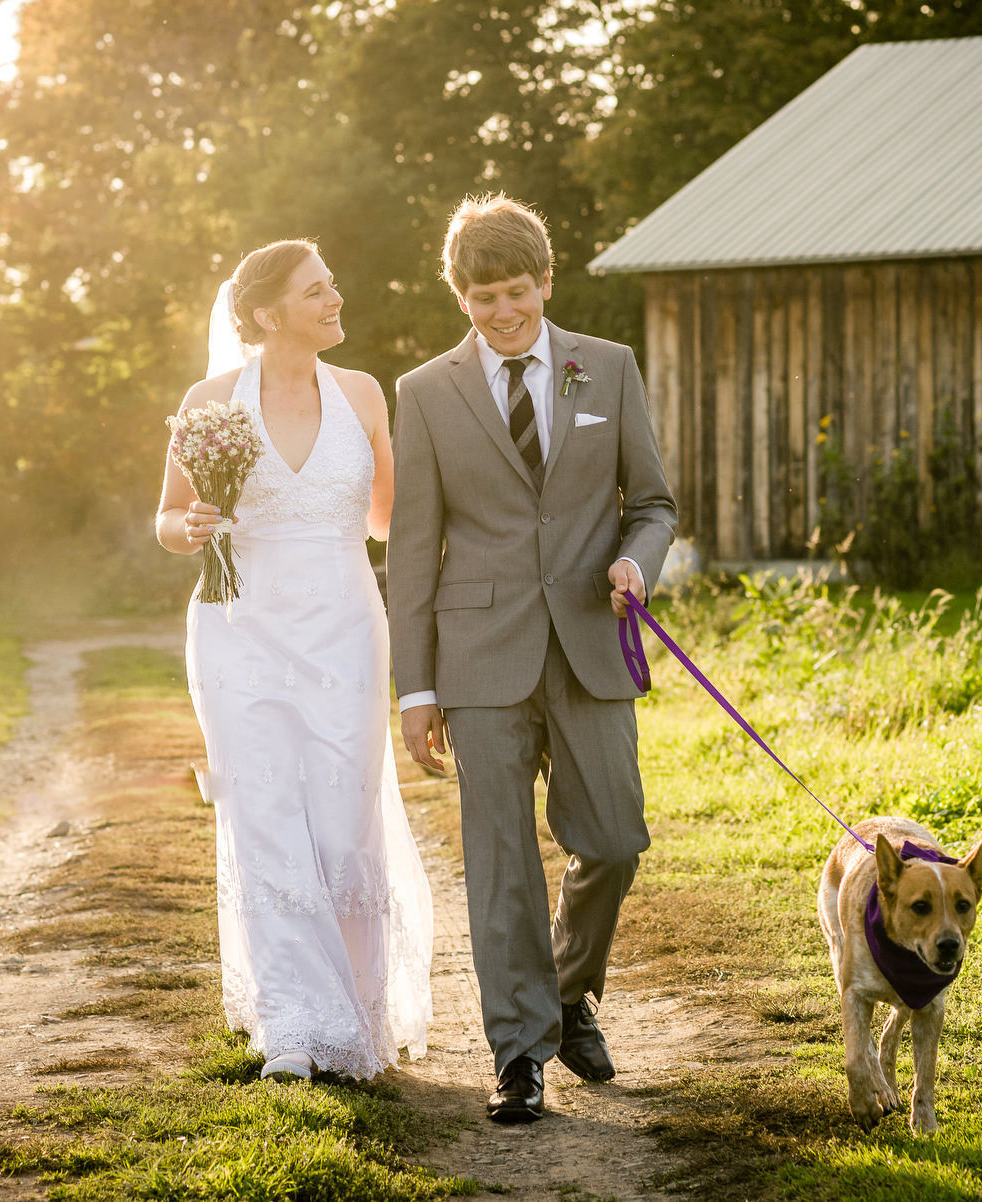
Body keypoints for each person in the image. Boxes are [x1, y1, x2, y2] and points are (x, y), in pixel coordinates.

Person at [387, 195, 677, 1122]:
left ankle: (564, 987)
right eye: (483, 299)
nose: (503, 313)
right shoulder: (426, 393)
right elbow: (412, 547)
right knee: (501, 858)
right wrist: (417, 687)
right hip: (478, 657)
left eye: (516, 292)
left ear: (546, 282)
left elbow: (655, 502)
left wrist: (638, 558)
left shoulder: (611, 368)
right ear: (460, 298)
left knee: (616, 839)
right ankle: (518, 1055)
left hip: (592, 641)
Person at [156, 239, 432, 1081]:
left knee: (344, 830)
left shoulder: (363, 394)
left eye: (333, 285)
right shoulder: (210, 402)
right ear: (269, 313)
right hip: (239, 631)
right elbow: (167, 522)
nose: (335, 299)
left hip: (347, 627)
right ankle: (295, 1031)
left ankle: (357, 1011)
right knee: (266, 818)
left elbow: (390, 521)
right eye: (317, 291)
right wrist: (192, 529)